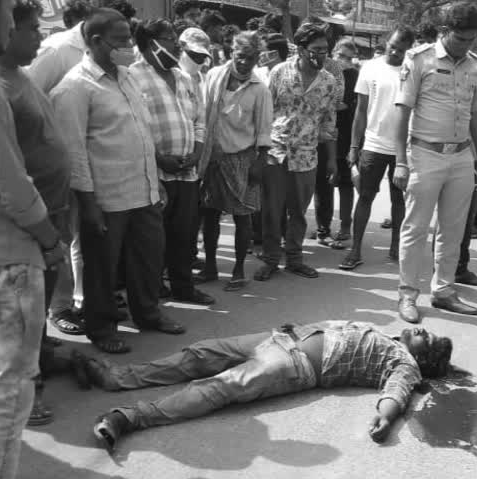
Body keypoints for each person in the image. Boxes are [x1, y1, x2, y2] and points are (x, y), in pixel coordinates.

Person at [82, 322, 452, 450]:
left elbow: (397, 393)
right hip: (282, 339)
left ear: (425, 361)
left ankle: (128, 418)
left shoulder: (405, 364)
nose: (422, 330)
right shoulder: (388, 334)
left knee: (219, 387)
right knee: (200, 353)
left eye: (428, 340)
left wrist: (385, 420)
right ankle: (117, 378)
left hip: (296, 365)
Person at [51, 8, 185, 355]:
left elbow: (142, 133)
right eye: (122, 40)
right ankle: (102, 326)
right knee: (101, 268)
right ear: (96, 41)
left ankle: (148, 313)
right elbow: (74, 153)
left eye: (129, 37)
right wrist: (88, 204)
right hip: (106, 198)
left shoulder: (126, 76)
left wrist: (154, 180)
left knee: (148, 258)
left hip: (142, 190)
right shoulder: (75, 87)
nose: (129, 45)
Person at [0, 0, 67, 479]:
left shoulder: (17, 80)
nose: (34, 35)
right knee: (10, 386)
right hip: (14, 249)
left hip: (20, 240)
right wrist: (47, 237)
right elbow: (12, 186)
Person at [393, 2, 477, 323]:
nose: (468, 45)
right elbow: (402, 111)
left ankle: (444, 290)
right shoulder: (419, 59)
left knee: (453, 228)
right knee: (415, 228)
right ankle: (408, 294)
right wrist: (400, 162)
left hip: (462, 155)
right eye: (462, 38)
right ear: (445, 32)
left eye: (473, 38)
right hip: (424, 154)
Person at [130, 19, 215, 306]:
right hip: (156, 174)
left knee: (185, 235)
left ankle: (183, 287)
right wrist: (158, 158)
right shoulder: (132, 76)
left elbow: (199, 120)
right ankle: (153, 292)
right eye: (169, 38)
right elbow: (135, 127)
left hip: (188, 173)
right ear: (151, 43)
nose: (176, 44)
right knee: (153, 240)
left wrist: (198, 151)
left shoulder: (183, 77)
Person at [25, 0, 93, 338]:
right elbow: (28, 101)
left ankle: (83, 298)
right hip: (52, 167)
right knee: (60, 237)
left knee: (85, 233)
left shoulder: (98, 53)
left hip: (88, 160)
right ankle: (60, 307)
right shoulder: (57, 52)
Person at [253, 22, 337, 281]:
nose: (321, 54)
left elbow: (329, 121)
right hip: (276, 151)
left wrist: (332, 159)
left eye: (325, 49)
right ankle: (269, 260)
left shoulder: (328, 82)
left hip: (307, 155)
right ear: (301, 49)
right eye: (316, 49)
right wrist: (259, 148)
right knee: (272, 209)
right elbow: (265, 111)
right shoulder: (279, 72)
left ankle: (295, 259)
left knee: (298, 212)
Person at [195, 31, 273, 292]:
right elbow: (202, 111)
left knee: (242, 217)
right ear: (232, 54)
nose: (244, 63)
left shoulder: (259, 89)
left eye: (250, 58)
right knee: (209, 215)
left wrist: (260, 162)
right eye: (240, 57)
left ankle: (239, 270)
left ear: (257, 59)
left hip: (243, 158)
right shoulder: (215, 76)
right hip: (213, 156)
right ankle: (210, 267)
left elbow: (264, 129)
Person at [339, 26, 415, 271]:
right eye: (393, 46)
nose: (396, 51)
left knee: (398, 200)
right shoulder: (370, 68)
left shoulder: (413, 71)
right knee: (365, 197)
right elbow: (360, 111)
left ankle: (396, 248)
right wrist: (354, 146)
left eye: (402, 49)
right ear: (386, 42)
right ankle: (355, 249)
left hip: (402, 149)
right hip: (372, 145)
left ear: (408, 50)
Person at [449, 12, 477, 288]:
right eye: (473, 36)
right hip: (458, 150)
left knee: (468, 216)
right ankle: (448, 269)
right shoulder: (461, 65)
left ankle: (460, 267)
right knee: (453, 217)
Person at [313, 37, 358, 249]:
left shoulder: (356, 76)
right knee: (325, 183)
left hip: (346, 136)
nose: (345, 61)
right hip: (324, 136)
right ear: (334, 53)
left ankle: (346, 226)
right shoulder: (323, 73)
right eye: (341, 56)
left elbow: (349, 108)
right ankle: (324, 227)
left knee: (345, 184)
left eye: (350, 58)